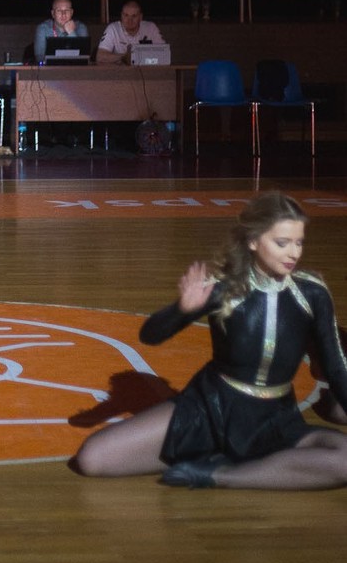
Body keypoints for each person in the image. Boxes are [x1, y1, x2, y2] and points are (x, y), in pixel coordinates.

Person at [73, 192, 347, 490]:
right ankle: (242, 461)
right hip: (208, 410)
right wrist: (181, 310)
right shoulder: (224, 289)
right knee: (93, 459)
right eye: (282, 243)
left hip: (275, 421)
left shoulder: (313, 294)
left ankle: (217, 474)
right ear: (253, 241)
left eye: (299, 242)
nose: (293, 253)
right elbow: (149, 335)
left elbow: (336, 368)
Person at [95, 0, 165, 65]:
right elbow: (100, 57)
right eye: (126, 15)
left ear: (140, 17)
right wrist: (124, 57)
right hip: (119, 73)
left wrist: (141, 58)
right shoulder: (113, 29)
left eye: (134, 16)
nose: (129, 20)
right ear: (121, 16)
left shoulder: (151, 28)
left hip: (148, 72)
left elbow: (164, 54)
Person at [33, 0, 89, 64]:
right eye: (59, 10)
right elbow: (39, 57)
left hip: (75, 71)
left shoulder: (81, 28)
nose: (63, 14)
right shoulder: (43, 28)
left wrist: (71, 33)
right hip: (50, 70)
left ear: (71, 12)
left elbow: (83, 57)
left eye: (67, 10)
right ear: (53, 14)